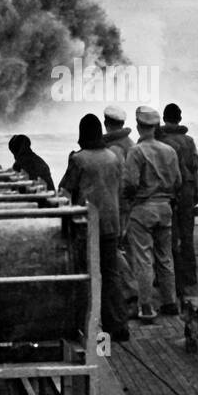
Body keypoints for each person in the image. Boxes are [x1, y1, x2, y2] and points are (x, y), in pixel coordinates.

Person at [59, 115, 128, 340]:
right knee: (111, 274)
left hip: (87, 225)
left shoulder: (79, 160)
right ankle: (117, 326)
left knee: (85, 274)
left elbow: (65, 191)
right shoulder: (113, 157)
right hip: (112, 223)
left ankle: (88, 324)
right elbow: (121, 188)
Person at [122, 105, 181, 320]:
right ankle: (170, 302)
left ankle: (146, 306)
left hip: (143, 208)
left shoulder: (136, 151)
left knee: (143, 259)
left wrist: (129, 201)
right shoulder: (169, 151)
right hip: (165, 208)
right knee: (165, 257)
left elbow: (130, 183)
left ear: (138, 126)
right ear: (156, 126)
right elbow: (178, 181)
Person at [157, 103, 198, 290]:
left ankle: (169, 276)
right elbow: (195, 166)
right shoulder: (188, 141)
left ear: (164, 119)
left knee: (168, 235)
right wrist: (196, 193)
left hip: (167, 192)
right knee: (187, 233)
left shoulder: (159, 140)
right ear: (180, 118)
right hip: (187, 190)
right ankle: (190, 276)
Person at [102, 104, 137, 308]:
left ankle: (131, 290)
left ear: (107, 124)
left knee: (115, 248)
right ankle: (137, 287)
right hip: (130, 202)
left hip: (118, 203)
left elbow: (119, 179)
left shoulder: (114, 148)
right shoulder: (130, 143)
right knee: (129, 247)